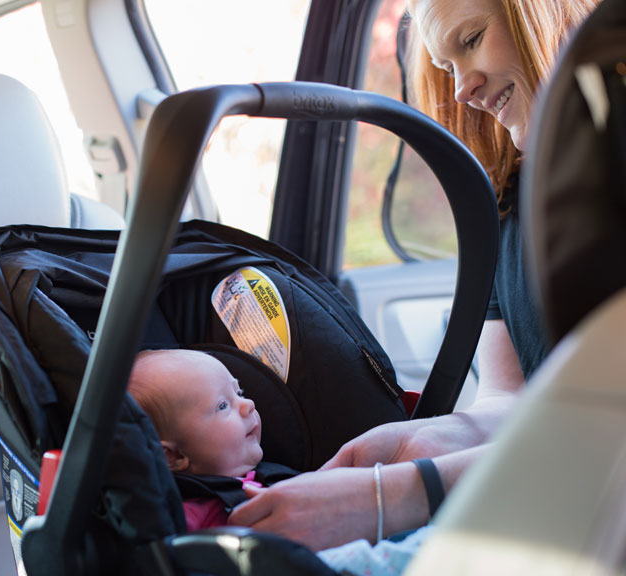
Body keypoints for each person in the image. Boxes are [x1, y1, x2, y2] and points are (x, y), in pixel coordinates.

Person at [227, 0, 602, 562]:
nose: (461, 91)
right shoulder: (509, 211)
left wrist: (394, 497)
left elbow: (604, 439)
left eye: (471, 40)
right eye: (446, 67)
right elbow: (511, 403)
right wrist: (426, 441)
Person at [128, 348, 272, 530]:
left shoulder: (274, 473)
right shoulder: (188, 519)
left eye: (239, 393)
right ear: (174, 456)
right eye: (223, 405)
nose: (248, 404)